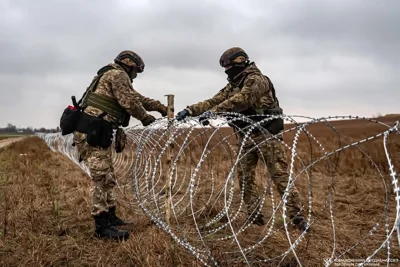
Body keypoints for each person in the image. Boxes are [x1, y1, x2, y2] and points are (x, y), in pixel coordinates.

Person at [175, 47, 309, 232]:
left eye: (228, 66)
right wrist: (190, 110)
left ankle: (297, 218)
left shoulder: (257, 80)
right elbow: (213, 100)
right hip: (245, 136)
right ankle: (255, 218)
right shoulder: (233, 84)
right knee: (245, 179)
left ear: (239, 62)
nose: (227, 71)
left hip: (266, 135)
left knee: (280, 176)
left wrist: (213, 113)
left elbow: (243, 100)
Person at [72, 50, 168, 241]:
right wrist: (146, 117)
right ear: (130, 65)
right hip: (92, 133)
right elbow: (130, 102)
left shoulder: (113, 74)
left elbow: (136, 98)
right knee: (100, 178)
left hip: (98, 133)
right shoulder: (117, 75)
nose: (135, 76)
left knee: (107, 176)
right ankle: (102, 227)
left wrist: (159, 107)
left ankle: (111, 217)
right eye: (136, 72)